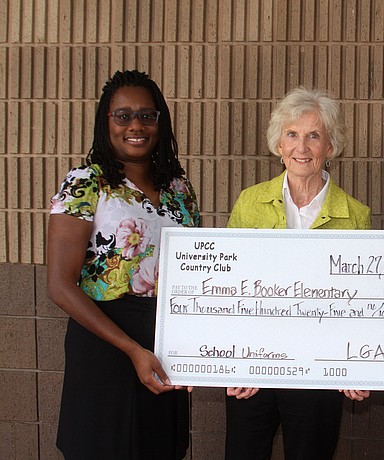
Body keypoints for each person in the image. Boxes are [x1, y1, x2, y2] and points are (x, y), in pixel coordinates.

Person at [47, 70, 200, 459]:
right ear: (106, 122)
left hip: (164, 346)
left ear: (160, 123)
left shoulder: (179, 189)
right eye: (123, 115)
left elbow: (197, 273)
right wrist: (131, 349)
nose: (136, 125)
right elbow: (60, 287)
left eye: (148, 116)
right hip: (104, 343)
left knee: (160, 448)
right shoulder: (85, 183)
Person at [224, 87, 371, 460]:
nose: (301, 146)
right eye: (292, 134)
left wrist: (356, 367)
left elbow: (363, 303)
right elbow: (227, 289)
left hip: (318, 373)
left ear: (330, 147)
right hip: (254, 370)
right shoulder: (250, 203)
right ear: (278, 143)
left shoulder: (356, 215)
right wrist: (235, 364)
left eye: (313, 135)